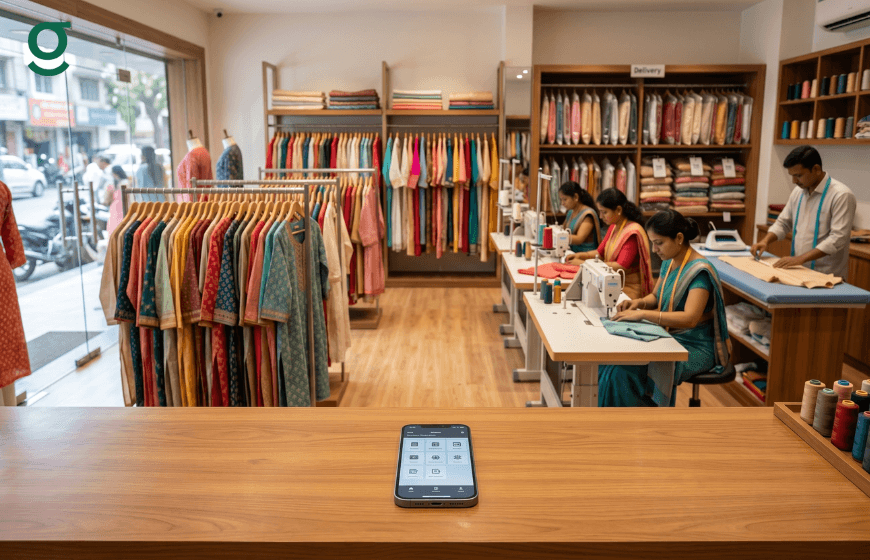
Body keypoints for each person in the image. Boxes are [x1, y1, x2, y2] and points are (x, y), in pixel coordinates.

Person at [599, 210, 731, 407]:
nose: (654, 250)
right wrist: (638, 303)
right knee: (609, 361)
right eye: (653, 243)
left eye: (658, 243)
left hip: (694, 346)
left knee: (623, 371)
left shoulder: (699, 272)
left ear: (679, 238)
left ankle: (643, 422)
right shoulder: (669, 262)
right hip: (670, 335)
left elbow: (690, 318)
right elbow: (656, 296)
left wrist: (642, 315)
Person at [751, 145, 856, 278]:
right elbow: (783, 222)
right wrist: (765, 241)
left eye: (798, 175)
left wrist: (800, 259)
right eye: (792, 176)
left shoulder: (841, 195)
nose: (794, 181)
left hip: (827, 276)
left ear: (816, 169)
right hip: (798, 270)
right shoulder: (798, 192)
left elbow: (837, 239)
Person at [567, 188, 653, 299]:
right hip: (612, 283)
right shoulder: (613, 227)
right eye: (600, 212)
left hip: (628, 289)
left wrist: (584, 264)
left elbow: (620, 266)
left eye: (604, 212)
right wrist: (580, 256)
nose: (601, 216)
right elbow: (600, 253)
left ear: (618, 210)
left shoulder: (632, 233)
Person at [558, 181, 600, 252]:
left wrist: (557, 236)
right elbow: (563, 229)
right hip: (573, 252)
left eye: (565, 199)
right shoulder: (571, 212)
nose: (562, 203)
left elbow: (579, 239)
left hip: (586, 255)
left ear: (576, 197)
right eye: (561, 200)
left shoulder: (588, 215)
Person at [105, 165, 128, 234]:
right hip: (119, 209)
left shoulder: (116, 184)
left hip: (118, 209)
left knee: (115, 230)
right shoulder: (125, 182)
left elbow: (107, 200)